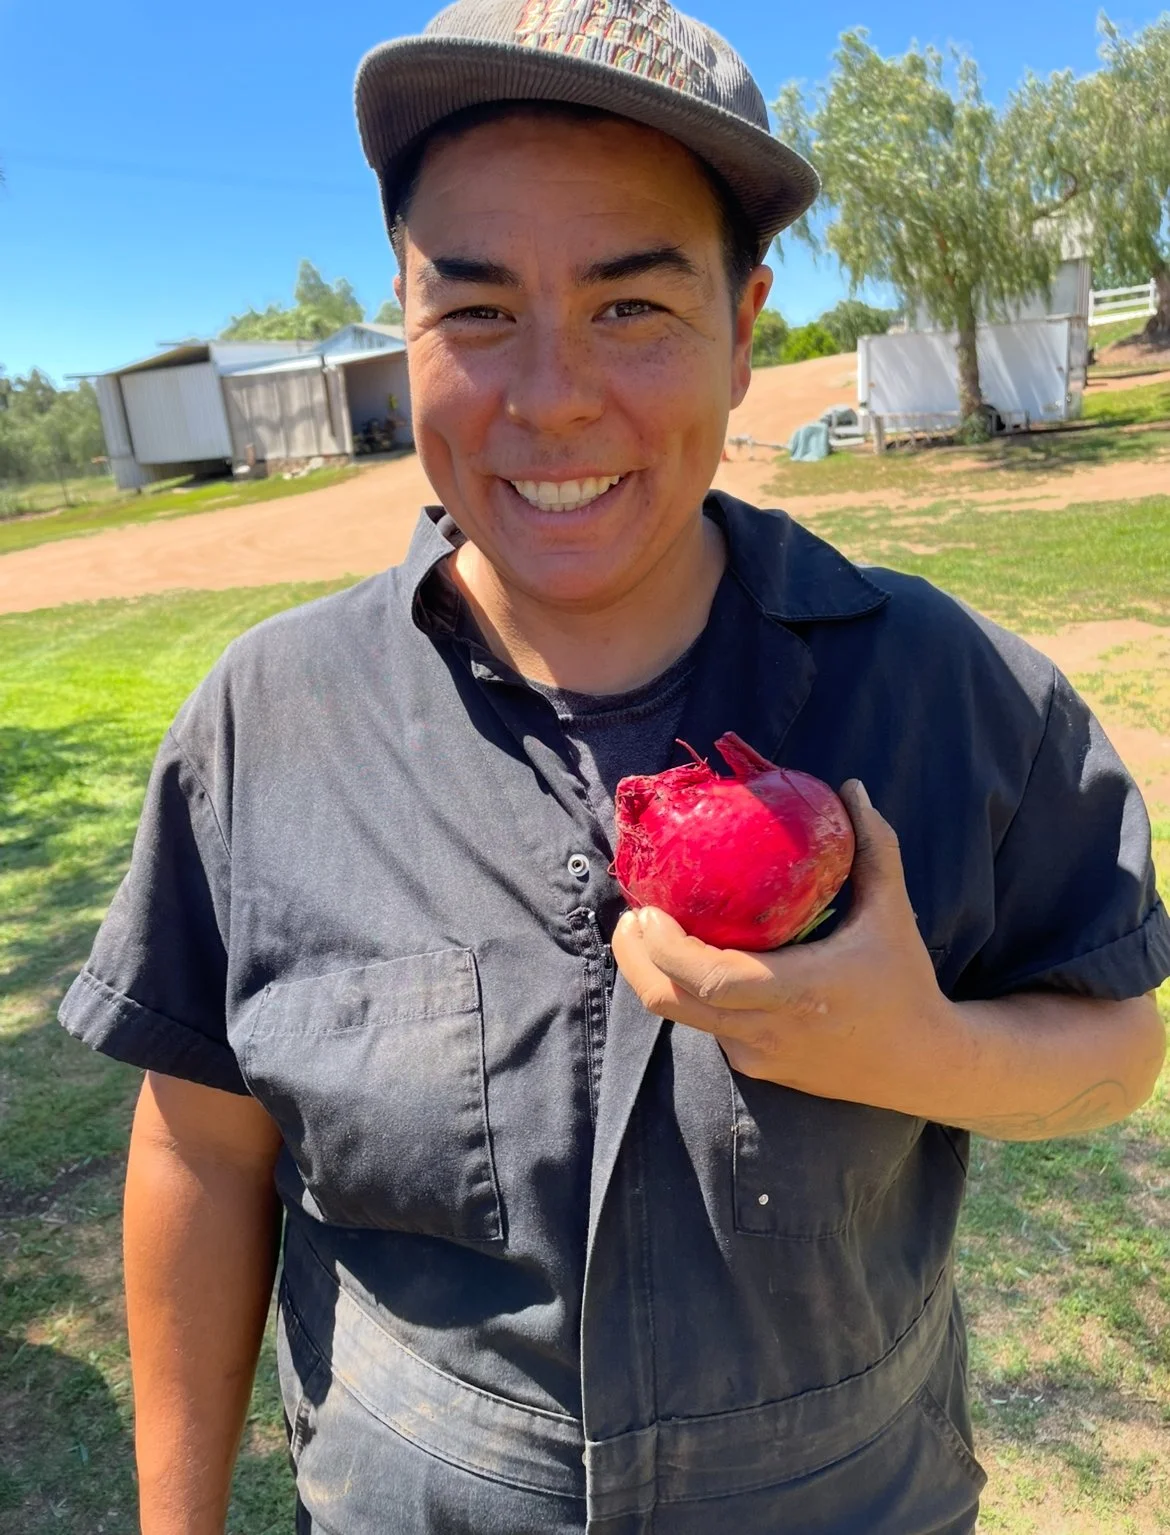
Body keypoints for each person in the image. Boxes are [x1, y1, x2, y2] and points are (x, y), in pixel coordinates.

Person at [59, 1, 1169, 1531]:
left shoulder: (946, 689)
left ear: (741, 319)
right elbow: (198, 1139)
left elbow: (1116, 1044)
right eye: (479, 310)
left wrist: (916, 1049)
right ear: (404, 316)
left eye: (632, 308)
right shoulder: (269, 722)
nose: (552, 396)